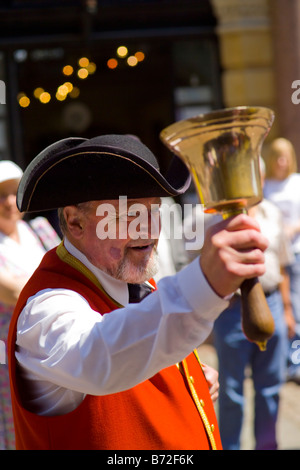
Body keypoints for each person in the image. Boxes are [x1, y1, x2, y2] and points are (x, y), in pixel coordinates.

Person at [7, 135, 268, 450]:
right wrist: (204, 282)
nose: (148, 229)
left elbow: (139, 346)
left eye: (153, 211)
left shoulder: (137, 285)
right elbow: (99, 353)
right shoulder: (45, 308)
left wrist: (188, 383)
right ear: (75, 221)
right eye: (128, 215)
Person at [0, 160, 60, 450]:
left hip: (52, 348)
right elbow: (11, 291)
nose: (10, 202)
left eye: (14, 193)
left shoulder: (40, 229)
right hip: (9, 356)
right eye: (1, 195)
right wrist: (58, 285)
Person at [264, 138, 300, 382]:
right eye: (277, 156)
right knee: (283, 306)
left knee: (296, 305)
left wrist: (292, 228)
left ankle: (295, 358)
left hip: (296, 249)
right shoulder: (266, 186)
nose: (282, 161)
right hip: (275, 254)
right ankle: (287, 357)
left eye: (285, 156)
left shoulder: (296, 183)